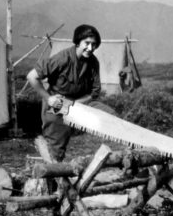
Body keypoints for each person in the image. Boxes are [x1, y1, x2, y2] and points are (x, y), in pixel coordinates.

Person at [27, 24, 115, 162]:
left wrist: (76, 104)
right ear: (78, 41)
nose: (90, 48)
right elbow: (32, 76)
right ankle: (54, 178)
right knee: (55, 151)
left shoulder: (93, 62)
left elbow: (94, 93)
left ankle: (124, 160)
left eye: (94, 44)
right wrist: (48, 98)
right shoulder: (62, 58)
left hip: (81, 103)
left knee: (112, 117)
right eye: (87, 43)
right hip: (57, 105)